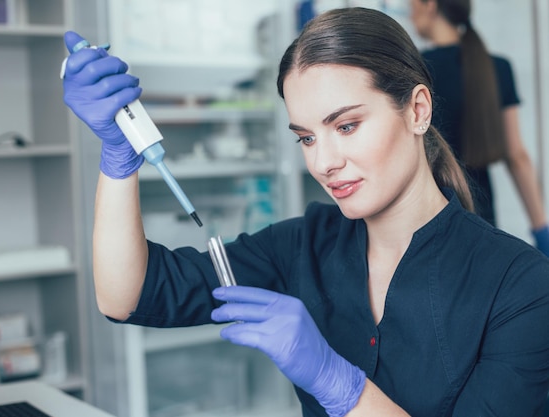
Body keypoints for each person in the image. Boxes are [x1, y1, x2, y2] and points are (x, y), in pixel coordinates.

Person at [62, 7, 549, 417]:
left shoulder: (520, 286)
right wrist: (119, 156)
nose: (323, 162)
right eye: (306, 137)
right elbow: (126, 296)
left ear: (418, 110)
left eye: (348, 126)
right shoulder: (300, 247)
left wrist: (339, 383)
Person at [409, 0, 549, 257]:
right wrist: (542, 231)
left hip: (427, 221)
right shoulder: (497, 67)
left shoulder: (415, 70)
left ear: (429, 5)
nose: (410, 12)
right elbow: (516, 156)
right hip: (483, 220)